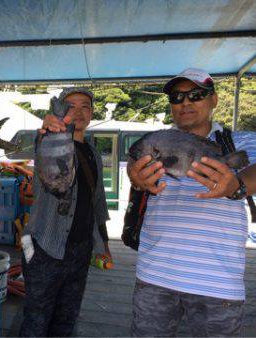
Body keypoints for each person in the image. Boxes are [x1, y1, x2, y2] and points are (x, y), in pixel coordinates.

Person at [127, 68, 255, 337]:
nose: (185, 102)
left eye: (196, 94)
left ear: (214, 100)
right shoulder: (158, 143)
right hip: (154, 276)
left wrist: (237, 185)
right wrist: (135, 177)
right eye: (177, 97)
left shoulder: (238, 141)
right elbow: (134, 170)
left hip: (217, 284)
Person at [19, 88, 113, 337]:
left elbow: (98, 202)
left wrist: (102, 243)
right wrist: (47, 128)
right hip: (46, 247)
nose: (79, 112)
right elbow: (40, 141)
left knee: (66, 320)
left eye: (85, 106)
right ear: (60, 111)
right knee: (36, 320)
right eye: (71, 106)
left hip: (80, 251)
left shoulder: (93, 153)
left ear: (92, 113)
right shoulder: (50, 139)